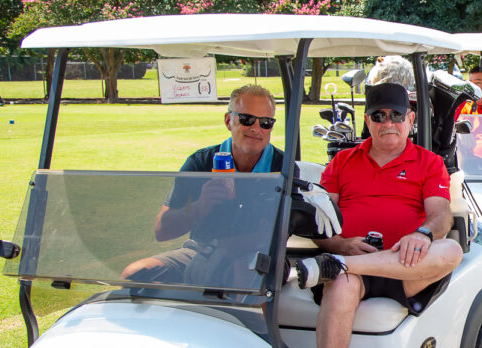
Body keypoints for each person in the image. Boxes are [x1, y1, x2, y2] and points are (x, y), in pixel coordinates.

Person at [291, 83, 463, 348]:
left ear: (410, 119)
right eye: (379, 116)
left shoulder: (428, 162)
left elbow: (440, 216)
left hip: (407, 265)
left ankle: (337, 265)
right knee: (341, 285)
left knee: (451, 250)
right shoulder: (342, 162)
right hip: (355, 262)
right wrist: (341, 245)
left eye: (396, 115)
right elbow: (322, 222)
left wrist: (422, 234)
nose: (388, 123)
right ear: (367, 121)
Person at [120, 85, 340, 282]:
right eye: (246, 119)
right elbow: (162, 231)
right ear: (228, 121)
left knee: (242, 270)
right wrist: (200, 205)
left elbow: (277, 232)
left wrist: (226, 249)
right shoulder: (201, 163)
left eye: (265, 123)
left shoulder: (282, 167)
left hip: (259, 255)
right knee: (135, 274)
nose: (256, 128)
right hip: (201, 251)